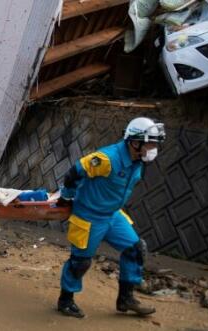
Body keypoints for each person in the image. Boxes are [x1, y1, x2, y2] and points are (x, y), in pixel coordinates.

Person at [56, 117, 165, 318]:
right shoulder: (107, 159)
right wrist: (67, 195)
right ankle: (65, 300)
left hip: (112, 215)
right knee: (80, 262)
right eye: (150, 143)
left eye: (155, 144)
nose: (153, 148)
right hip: (89, 215)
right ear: (135, 142)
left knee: (136, 249)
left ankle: (126, 299)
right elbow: (75, 172)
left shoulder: (137, 161)